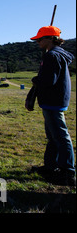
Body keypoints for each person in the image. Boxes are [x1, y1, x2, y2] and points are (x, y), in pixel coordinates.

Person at [29, 26, 75, 186]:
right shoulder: (58, 55)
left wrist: (36, 80)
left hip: (53, 101)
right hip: (56, 100)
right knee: (53, 136)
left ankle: (67, 172)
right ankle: (50, 167)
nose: (38, 42)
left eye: (40, 39)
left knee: (61, 137)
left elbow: (49, 81)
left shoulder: (52, 56)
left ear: (50, 38)